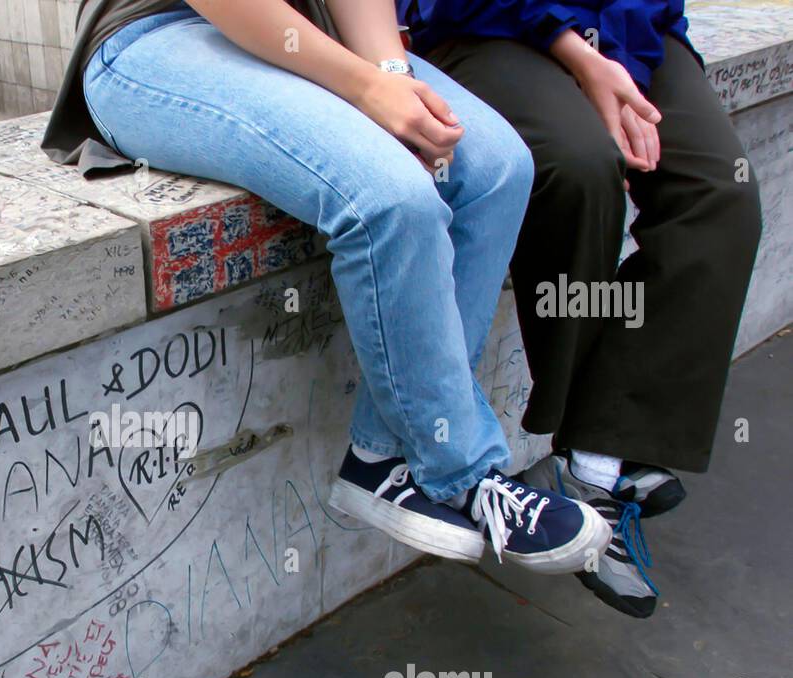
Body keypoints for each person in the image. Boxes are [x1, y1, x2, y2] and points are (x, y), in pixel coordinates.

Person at [42, 0, 612, 572]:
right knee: (392, 197)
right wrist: (364, 87)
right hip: (158, 35)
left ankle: (380, 456)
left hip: (315, 34)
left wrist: (392, 76)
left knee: (497, 168)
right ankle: (461, 471)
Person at [396, 0, 763, 616]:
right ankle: (596, 462)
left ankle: (596, 455)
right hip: (491, 22)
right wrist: (577, 54)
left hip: (630, 25)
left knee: (720, 193)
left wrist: (620, 50)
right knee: (579, 164)